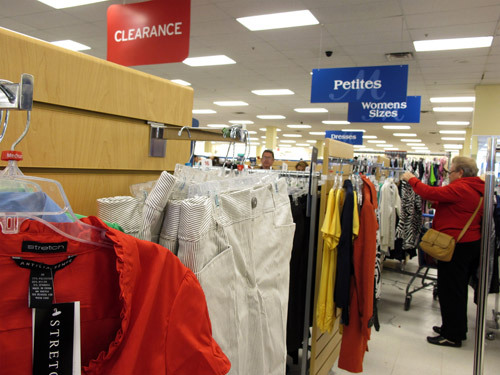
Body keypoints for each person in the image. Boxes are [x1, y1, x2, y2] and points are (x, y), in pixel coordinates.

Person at [401, 156, 484, 348]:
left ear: (461, 172)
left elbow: (429, 192)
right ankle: (453, 327)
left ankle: (452, 335)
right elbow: (459, 206)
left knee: (451, 290)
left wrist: (411, 179)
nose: (448, 175)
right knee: (457, 289)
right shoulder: (476, 187)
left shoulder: (462, 187)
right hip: (469, 244)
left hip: (456, 246)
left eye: (450, 171)